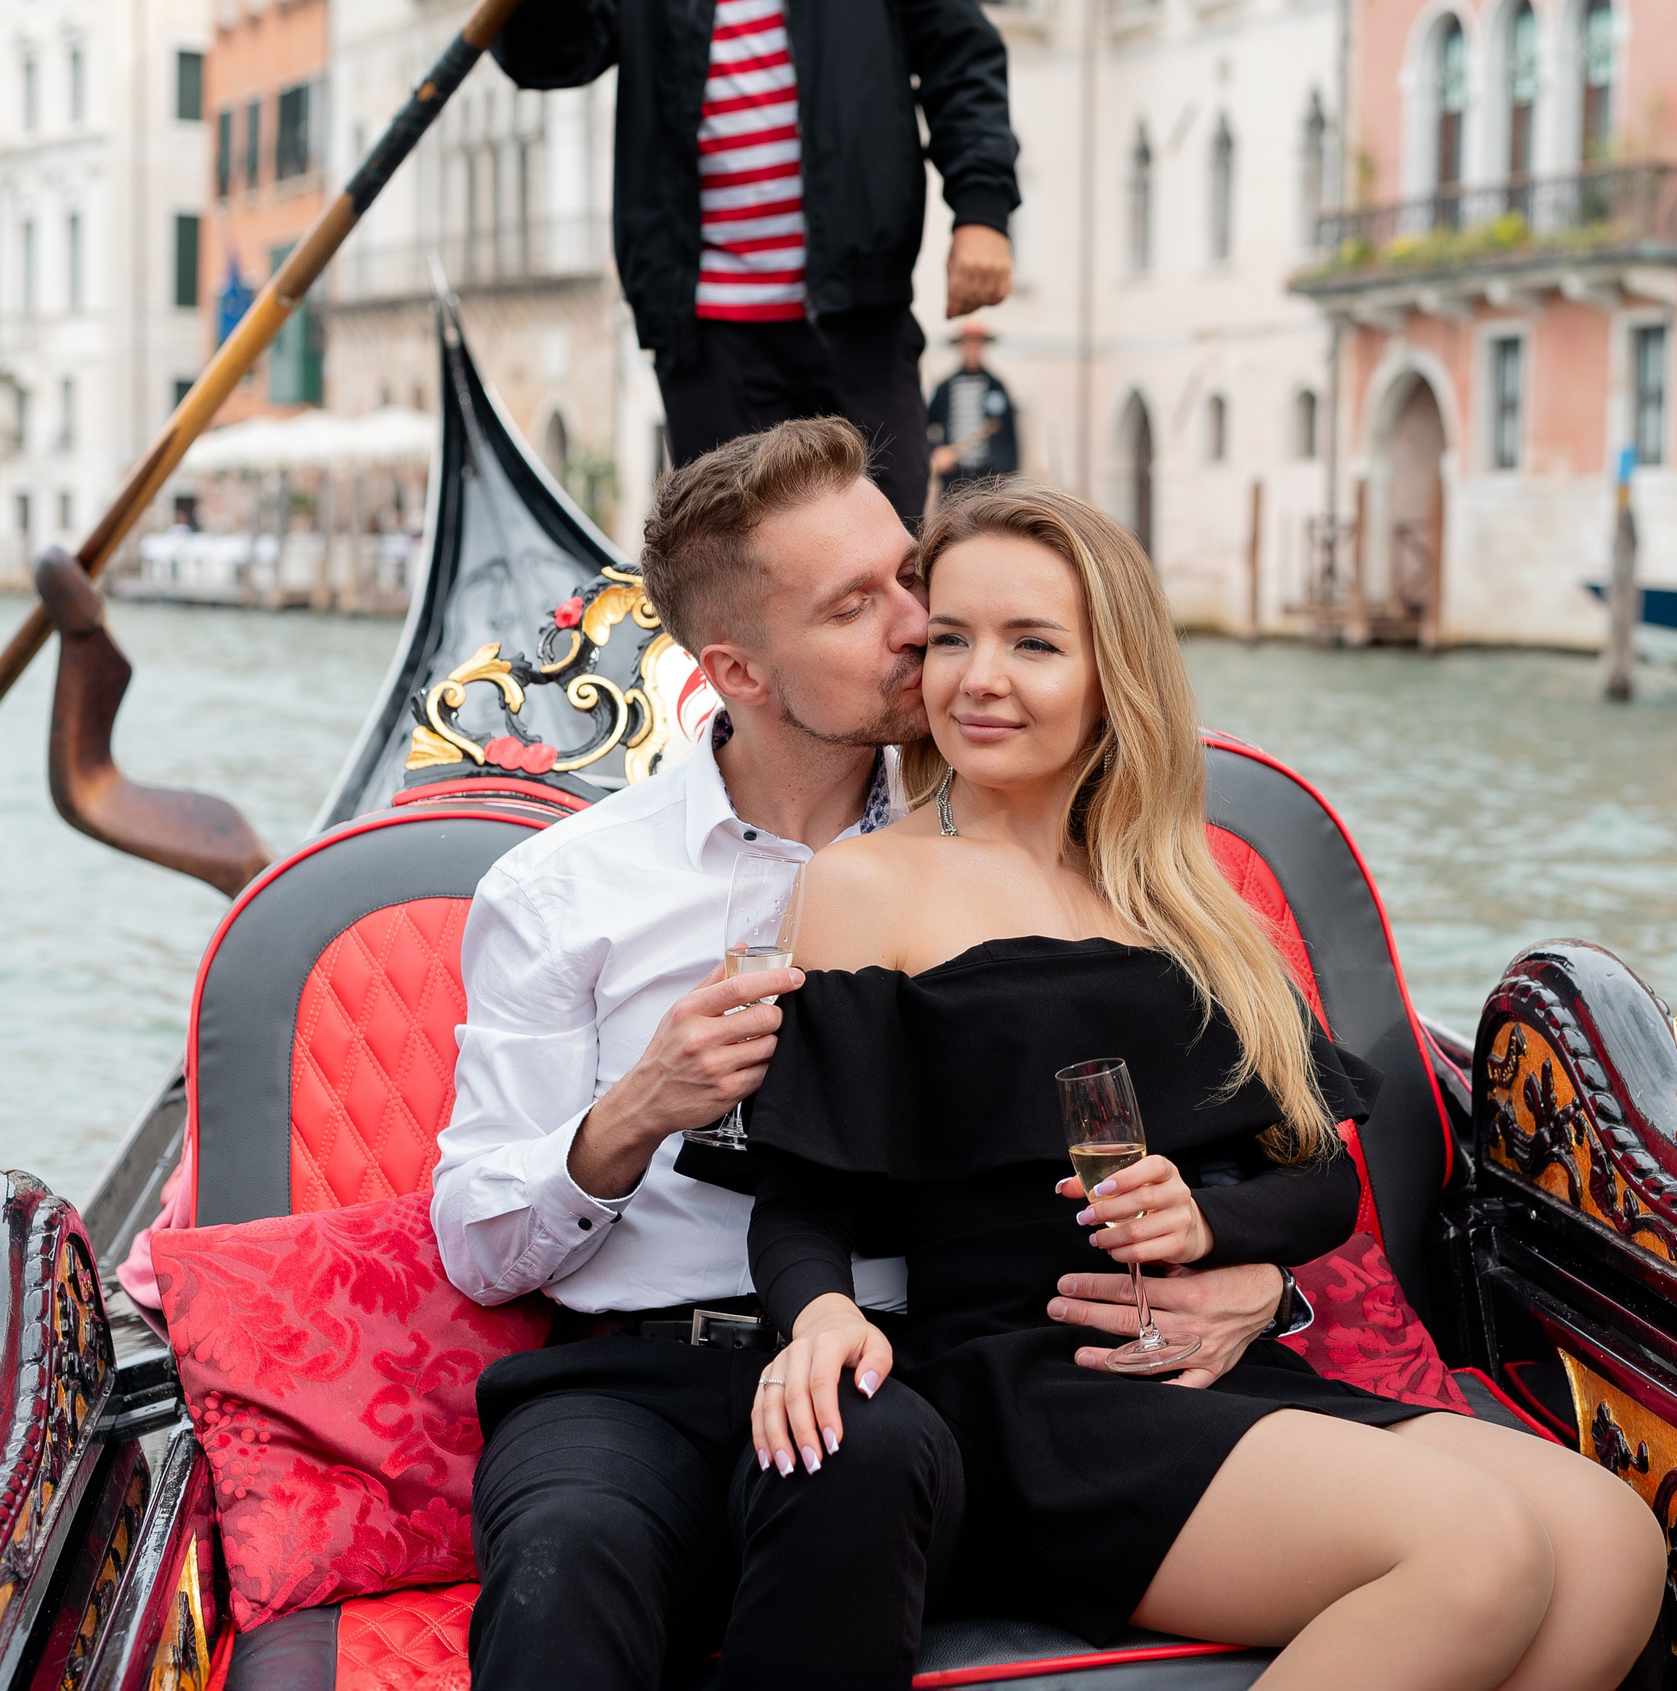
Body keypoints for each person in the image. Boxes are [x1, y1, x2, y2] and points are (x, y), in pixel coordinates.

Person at [710, 482, 1668, 1690]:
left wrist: (1212, 1229)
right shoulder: (867, 887)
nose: (979, 678)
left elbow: (1320, 1180)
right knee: (1475, 1550)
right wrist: (821, 1316)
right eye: (950, 638)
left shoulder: (1182, 898)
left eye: (1032, 644)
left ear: (1114, 676)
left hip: (1214, 1365)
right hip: (1034, 1393)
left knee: (1611, 1545)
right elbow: (800, 1195)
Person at [432, 419, 1307, 1690]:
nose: (918, 625)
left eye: (909, 576)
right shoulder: (562, 889)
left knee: (863, 1452)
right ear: (736, 668)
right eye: (855, 606)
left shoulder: (1013, 849)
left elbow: (1197, 1130)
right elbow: (475, 1241)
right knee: (567, 1560)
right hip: (633, 1378)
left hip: (907, 1364)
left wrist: (1265, 1281)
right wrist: (638, 1109)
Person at [490, 0, 1020, 522]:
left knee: (889, 549)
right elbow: (549, 54)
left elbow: (961, 54)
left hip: (859, 316)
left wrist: (982, 209)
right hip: (703, 337)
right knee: (724, 559)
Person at [926, 320, 1020, 494]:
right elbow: (926, 425)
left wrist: (1007, 473)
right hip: (954, 476)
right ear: (960, 347)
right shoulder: (945, 387)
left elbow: (1009, 434)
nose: (973, 349)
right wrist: (936, 452)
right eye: (968, 344)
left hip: (988, 476)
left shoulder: (996, 386)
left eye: (977, 344)